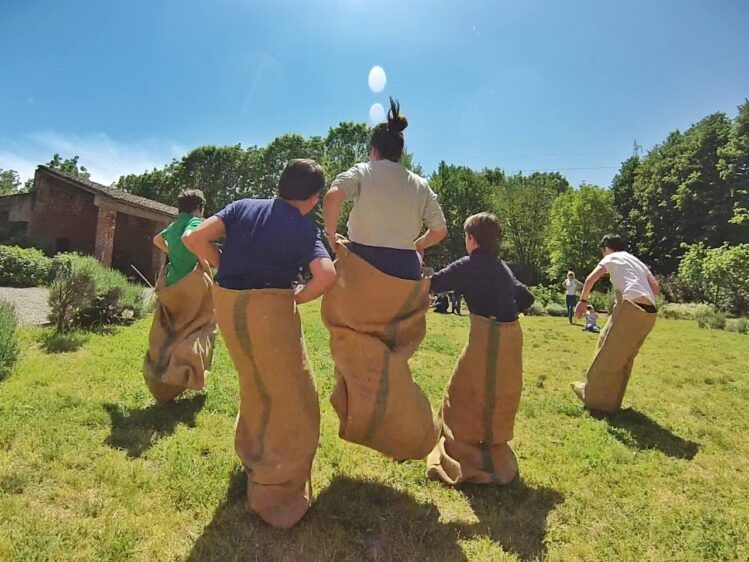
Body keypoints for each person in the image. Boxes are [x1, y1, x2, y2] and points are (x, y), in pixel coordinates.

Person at [183, 159, 336, 529]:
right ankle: (277, 489)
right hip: (269, 311)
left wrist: (222, 263)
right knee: (295, 399)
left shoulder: (242, 206)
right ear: (314, 198)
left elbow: (193, 238)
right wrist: (298, 298)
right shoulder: (303, 226)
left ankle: (254, 456)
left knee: (254, 384)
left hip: (229, 306)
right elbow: (326, 274)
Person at [321, 97, 447, 461]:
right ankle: (403, 429)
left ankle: (360, 415)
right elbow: (440, 229)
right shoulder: (420, 184)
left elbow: (332, 196)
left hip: (362, 265)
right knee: (392, 355)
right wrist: (417, 246)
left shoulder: (363, 171)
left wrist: (331, 236)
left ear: (374, 151)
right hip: (404, 273)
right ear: (401, 154)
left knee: (354, 346)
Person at [426, 212, 534, 486]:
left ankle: (467, 453)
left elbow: (433, 285)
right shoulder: (500, 266)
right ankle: (491, 448)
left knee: (461, 392)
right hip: (511, 338)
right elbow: (526, 297)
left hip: (487, 337)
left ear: (471, 238)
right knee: (497, 393)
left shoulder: (469, 264)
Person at [570, 234, 660, 413]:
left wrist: (583, 301)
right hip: (649, 313)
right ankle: (611, 402)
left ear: (606, 248)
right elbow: (655, 289)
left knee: (606, 351)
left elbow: (591, 279)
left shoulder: (612, 257)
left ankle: (592, 398)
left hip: (631, 308)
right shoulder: (637, 261)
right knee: (624, 358)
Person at [144, 189, 216, 404]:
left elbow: (157, 240)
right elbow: (189, 238)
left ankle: (165, 381)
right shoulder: (195, 222)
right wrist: (201, 257)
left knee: (172, 331)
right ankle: (185, 374)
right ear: (199, 208)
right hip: (190, 286)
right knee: (199, 329)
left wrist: (172, 251)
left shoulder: (173, 225)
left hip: (171, 285)